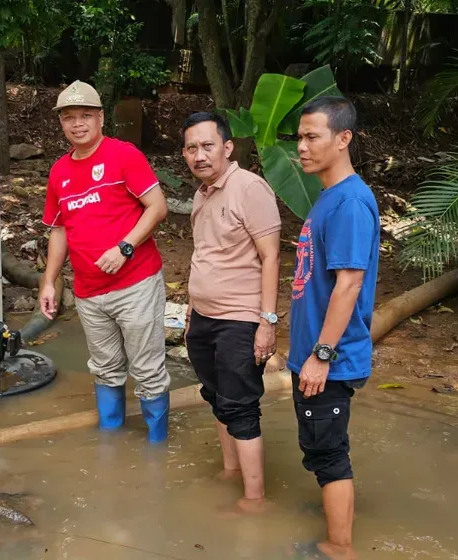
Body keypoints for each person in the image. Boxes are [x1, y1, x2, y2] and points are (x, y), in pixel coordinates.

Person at [38, 81, 172, 443]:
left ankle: (157, 449)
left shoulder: (123, 155)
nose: (77, 124)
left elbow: (157, 207)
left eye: (85, 116)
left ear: (100, 118)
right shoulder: (59, 172)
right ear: (61, 123)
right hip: (88, 292)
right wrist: (49, 281)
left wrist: (125, 247)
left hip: (136, 284)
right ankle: (109, 445)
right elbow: (59, 230)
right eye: (69, 117)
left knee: (147, 370)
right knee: (105, 369)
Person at [287, 96, 379, 560]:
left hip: (329, 359)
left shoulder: (348, 203)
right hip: (315, 353)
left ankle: (339, 548)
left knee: (328, 455)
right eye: (299, 137)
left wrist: (321, 355)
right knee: (321, 449)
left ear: (343, 139)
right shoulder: (329, 197)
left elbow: (349, 284)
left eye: (312, 137)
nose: (301, 147)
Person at [180, 112, 281, 514]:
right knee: (216, 397)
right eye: (191, 148)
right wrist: (191, 310)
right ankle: (229, 470)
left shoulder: (249, 188)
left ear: (227, 147)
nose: (199, 155)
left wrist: (267, 322)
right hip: (203, 317)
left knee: (239, 404)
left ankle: (255, 500)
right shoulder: (202, 193)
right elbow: (204, 254)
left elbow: (271, 256)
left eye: (207, 146)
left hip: (240, 318)